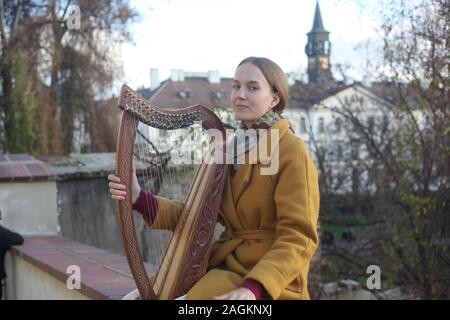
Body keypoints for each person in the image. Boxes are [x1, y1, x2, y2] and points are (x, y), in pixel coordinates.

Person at [108, 57, 320, 300]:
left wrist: (254, 288)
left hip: (270, 281)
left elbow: (299, 237)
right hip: (225, 265)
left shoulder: (291, 150)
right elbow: (197, 215)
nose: (240, 94)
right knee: (136, 297)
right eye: (236, 86)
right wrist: (138, 197)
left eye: (252, 87)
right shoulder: (229, 147)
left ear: (274, 98)